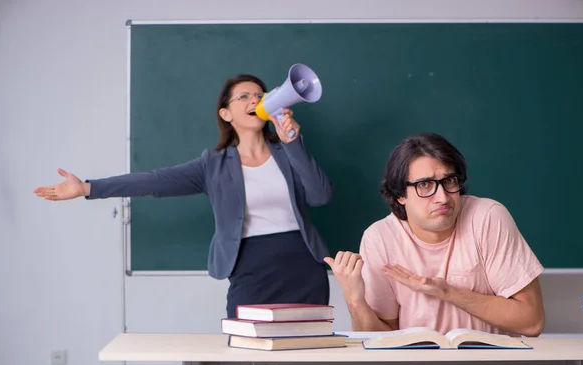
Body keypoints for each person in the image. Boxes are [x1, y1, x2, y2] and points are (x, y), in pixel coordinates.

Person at [34, 74, 332, 318]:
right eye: (244, 96)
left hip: (303, 264)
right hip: (250, 268)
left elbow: (321, 197)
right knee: (246, 359)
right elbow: (154, 181)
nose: (255, 99)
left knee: (309, 357)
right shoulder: (212, 164)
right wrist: (88, 187)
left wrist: (292, 144)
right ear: (225, 113)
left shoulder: (288, 151)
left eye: (260, 95)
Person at [325, 132, 545, 337]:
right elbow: (380, 338)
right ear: (400, 194)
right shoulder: (380, 238)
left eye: (449, 181)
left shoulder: (487, 217)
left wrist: (448, 292)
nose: (442, 197)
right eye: (425, 184)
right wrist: (355, 302)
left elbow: (532, 321)